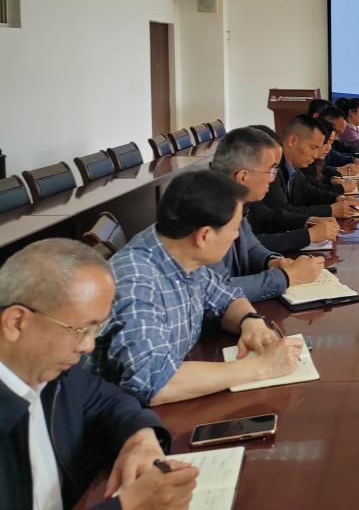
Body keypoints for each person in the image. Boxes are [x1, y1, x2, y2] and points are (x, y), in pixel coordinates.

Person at [0, 239, 198, 510]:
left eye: (97, 329)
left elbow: (107, 400)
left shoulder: (54, 373)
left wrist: (140, 438)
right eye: (81, 330)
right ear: (17, 322)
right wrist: (128, 506)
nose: (88, 346)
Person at [89, 172, 304, 405]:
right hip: (122, 417)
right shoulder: (137, 283)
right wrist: (261, 366)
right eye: (234, 230)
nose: (236, 237)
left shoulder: (180, 251)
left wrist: (251, 322)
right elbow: (156, 382)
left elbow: (226, 298)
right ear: (204, 236)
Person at [210, 127, 325, 303]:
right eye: (271, 170)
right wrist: (288, 277)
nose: (272, 179)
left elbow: (251, 247)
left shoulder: (234, 201)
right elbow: (217, 291)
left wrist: (273, 262)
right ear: (243, 176)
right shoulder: (205, 212)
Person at [246, 124, 341, 252]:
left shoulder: (244, 197)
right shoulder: (223, 205)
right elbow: (246, 246)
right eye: (270, 170)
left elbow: (268, 216)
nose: (272, 178)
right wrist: (308, 235)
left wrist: (308, 221)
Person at [262, 115, 359, 220]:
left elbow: (308, 191)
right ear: (292, 141)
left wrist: (338, 198)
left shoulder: (294, 167)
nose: (315, 155)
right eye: (313, 147)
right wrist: (330, 210)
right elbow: (282, 212)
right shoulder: (270, 169)